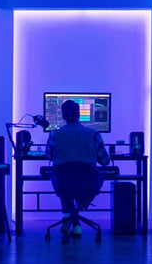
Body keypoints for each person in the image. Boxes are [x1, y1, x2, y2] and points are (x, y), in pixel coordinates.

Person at [46, 100, 110, 237]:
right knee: (90, 180)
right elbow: (105, 161)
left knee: (64, 181)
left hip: (63, 183)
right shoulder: (94, 134)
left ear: (63, 116)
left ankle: (69, 218)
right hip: (88, 184)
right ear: (79, 114)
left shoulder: (54, 134)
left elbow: (49, 156)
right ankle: (77, 217)